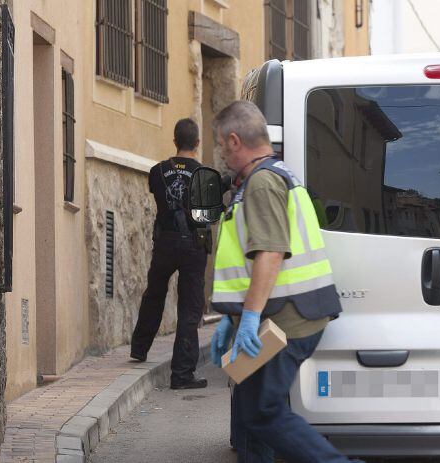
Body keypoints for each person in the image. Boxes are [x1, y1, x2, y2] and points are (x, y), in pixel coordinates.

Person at [208, 101, 360, 463]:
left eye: (219, 144)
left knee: (264, 411)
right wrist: (233, 319)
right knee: (249, 412)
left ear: (234, 141)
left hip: (286, 321)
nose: (221, 154)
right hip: (283, 316)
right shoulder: (279, 175)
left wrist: (247, 316)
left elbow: (271, 253)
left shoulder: (262, 183)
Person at [131, 118, 209, 390]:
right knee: (189, 308)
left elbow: (158, 194)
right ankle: (182, 374)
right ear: (197, 143)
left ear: (174, 141)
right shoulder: (203, 173)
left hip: (165, 242)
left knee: (154, 294)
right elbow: (206, 215)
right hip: (193, 246)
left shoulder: (157, 171)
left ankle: (139, 348)